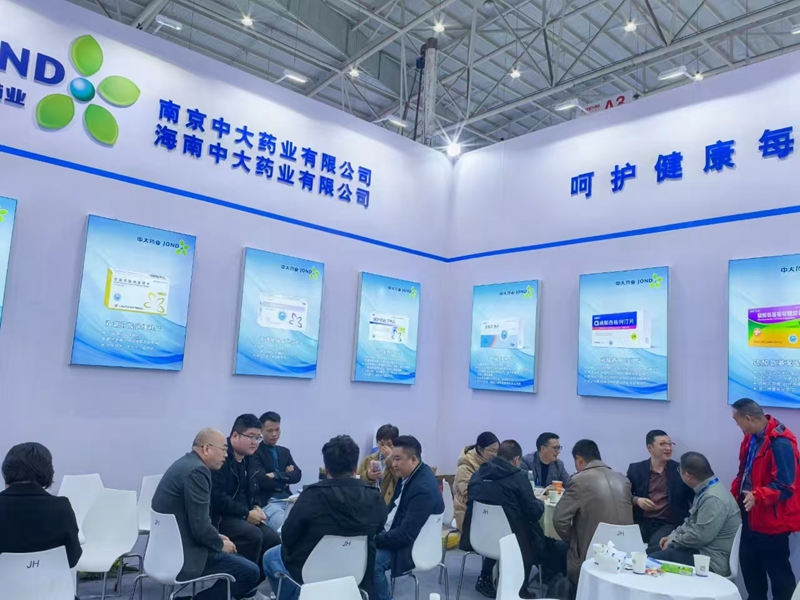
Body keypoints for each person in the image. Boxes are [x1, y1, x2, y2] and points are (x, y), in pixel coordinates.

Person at [263, 435, 387, 600]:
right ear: (356, 468)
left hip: (310, 571)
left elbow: (288, 536)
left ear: (326, 469)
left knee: (270, 557)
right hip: (358, 571)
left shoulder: (310, 495)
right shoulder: (375, 496)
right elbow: (379, 528)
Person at [152, 428, 261, 600]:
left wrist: (216, 536)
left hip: (166, 550)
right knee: (250, 572)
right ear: (207, 449)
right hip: (185, 555)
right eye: (223, 449)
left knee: (239, 554)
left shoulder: (184, 464)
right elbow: (200, 527)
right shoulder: (197, 471)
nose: (226, 455)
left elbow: (194, 521)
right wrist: (218, 543)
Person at [461, 440, 566, 600]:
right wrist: (540, 503)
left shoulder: (478, 474)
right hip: (513, 542)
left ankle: (486, 577)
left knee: (501, 525)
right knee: (548, 543)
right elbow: (534, 513)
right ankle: (521, 589)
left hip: (479, 538)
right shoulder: (518, 477)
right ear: (516, 460)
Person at [731, 398, 800, 600]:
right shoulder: (750, 437)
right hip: (749, 513)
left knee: (779, 575)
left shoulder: (781, 443)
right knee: (751, 569)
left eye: (737, 420)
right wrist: (734, 495)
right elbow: (744, 472)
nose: (737, 425)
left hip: (772, 521)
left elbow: (786, 486)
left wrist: (757, 495)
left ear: (748, 419)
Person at [553, 439, 633, 586]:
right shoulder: (623, 480)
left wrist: (574, 540)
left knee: (556, 548)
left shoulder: (578, 481)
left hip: (590, 554)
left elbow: (559, 520)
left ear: (579, 459)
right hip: (623, 553)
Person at [372, 435, 444, 600]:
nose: (394, 464)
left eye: (397, 459)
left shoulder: (422, 489)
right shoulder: (413, 475)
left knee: (372, 564)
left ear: (413, 459)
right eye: (393, 459)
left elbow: (406, 535)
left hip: (413, 546)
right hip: (400, 533)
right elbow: (394, 511)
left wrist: (376, 540)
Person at [649, 452, 740, 576]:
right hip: (700, 550)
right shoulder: (705, 490)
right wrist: (672, 536)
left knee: (653, 560)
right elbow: (690, 523)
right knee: (650, 552)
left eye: (679, 470)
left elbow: (699, 537)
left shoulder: (713, 499)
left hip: (711, 561)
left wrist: (673, 541)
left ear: (687, 476)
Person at [212, 414, 280, 573]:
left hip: (242, 513)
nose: (255, 442)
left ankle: (255, 582)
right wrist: (246, 514)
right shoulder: (221, 458)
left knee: (273, 539)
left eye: (258, 438)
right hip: (221, 516)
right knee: (253, 535)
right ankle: (240, 581)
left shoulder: (250, 458)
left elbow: (254, 488)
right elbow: (218, 498)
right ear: (235, 436)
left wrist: (256, 506)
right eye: (251, 437)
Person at [0, 442, 82, 571]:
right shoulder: (61, 507)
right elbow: (72, 558)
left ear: (6, 471)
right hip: (49, 583)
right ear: (48, 472)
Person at [627, 430, 694, 552]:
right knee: (625, 541)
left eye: (670, 444)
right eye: (663, 444)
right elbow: (625, 496)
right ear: (650, 448)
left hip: (668, 523)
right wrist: (637, 500)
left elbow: (693, 498)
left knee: (656, 546)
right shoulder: (636, 469)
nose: (668, 448)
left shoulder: (680, 470)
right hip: (642, 521)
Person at [252, 412, 302, 531]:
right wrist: (286, 478)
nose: (274, 434)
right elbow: (262, 480)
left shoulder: (284, 452)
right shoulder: (255, 452)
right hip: (270, 503)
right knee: (288, 529)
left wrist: (275, 475)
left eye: (277, 430)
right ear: (261, 431)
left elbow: (297, 475)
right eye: (270, 431)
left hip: (289, 499)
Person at [454, 431, 499, 531]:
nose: (494, 455)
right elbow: (468, 491)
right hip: (466, 513)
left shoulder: (490, 464)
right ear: (480, 449)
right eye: (491, 450)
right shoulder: (465, 466)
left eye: (496, 451)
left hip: (483, 510)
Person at [357, 424, 400, 504]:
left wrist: (390, 459)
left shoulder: (400, 461)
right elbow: (357, 479)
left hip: (389, 503)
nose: (385, 448)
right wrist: (368, 476)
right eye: (382, 444)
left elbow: (401, 481)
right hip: (369, 502)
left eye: (389, 445)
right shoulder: (369, 459)